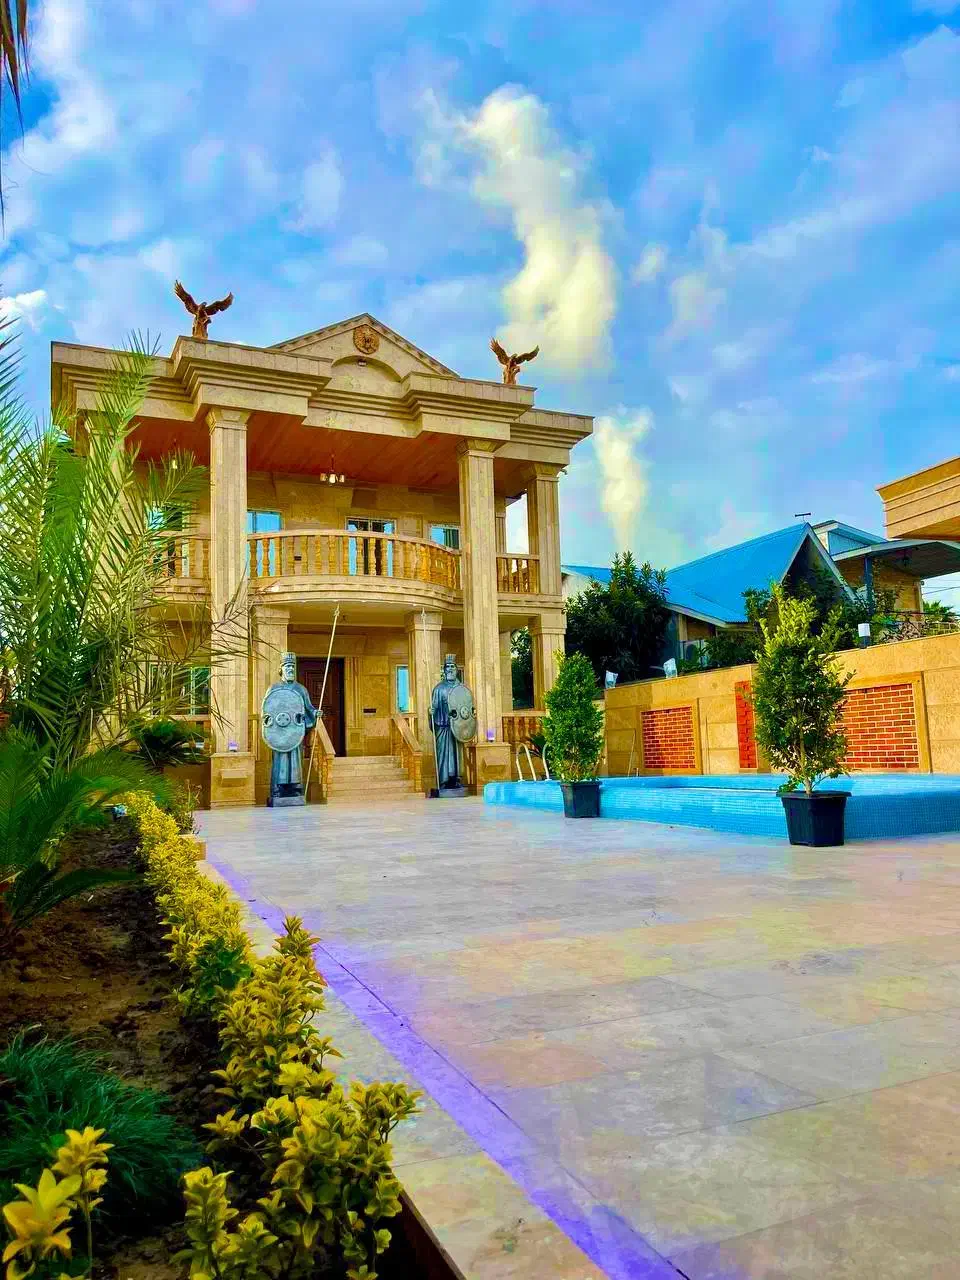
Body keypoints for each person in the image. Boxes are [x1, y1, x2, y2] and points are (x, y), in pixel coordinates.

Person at [262, 653, 318, 805]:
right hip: (279, 734)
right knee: (280, 760)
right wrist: (269, 721)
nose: (291, 669)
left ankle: (295, 788)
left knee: (295, 761)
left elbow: (308, 708)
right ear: (281, 669)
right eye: (288, 666)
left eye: (293, 666)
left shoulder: (301, 689)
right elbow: (267, 711)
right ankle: (278, 789)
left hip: (294, 732)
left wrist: (315, 713)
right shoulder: (274, 689)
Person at [430, 654, 463, 790]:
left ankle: (456, 779)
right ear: (444, 670)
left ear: (456, 669)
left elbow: (466, 707)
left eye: (452, 666)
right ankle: (443, 781)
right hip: (443, 726)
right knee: (443, 754)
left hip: (457, 727)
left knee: (457, 755)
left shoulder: (461, 688)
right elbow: (434, 707)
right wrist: (431, 712)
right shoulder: (439, 689)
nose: (450, 669)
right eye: (447, 667)